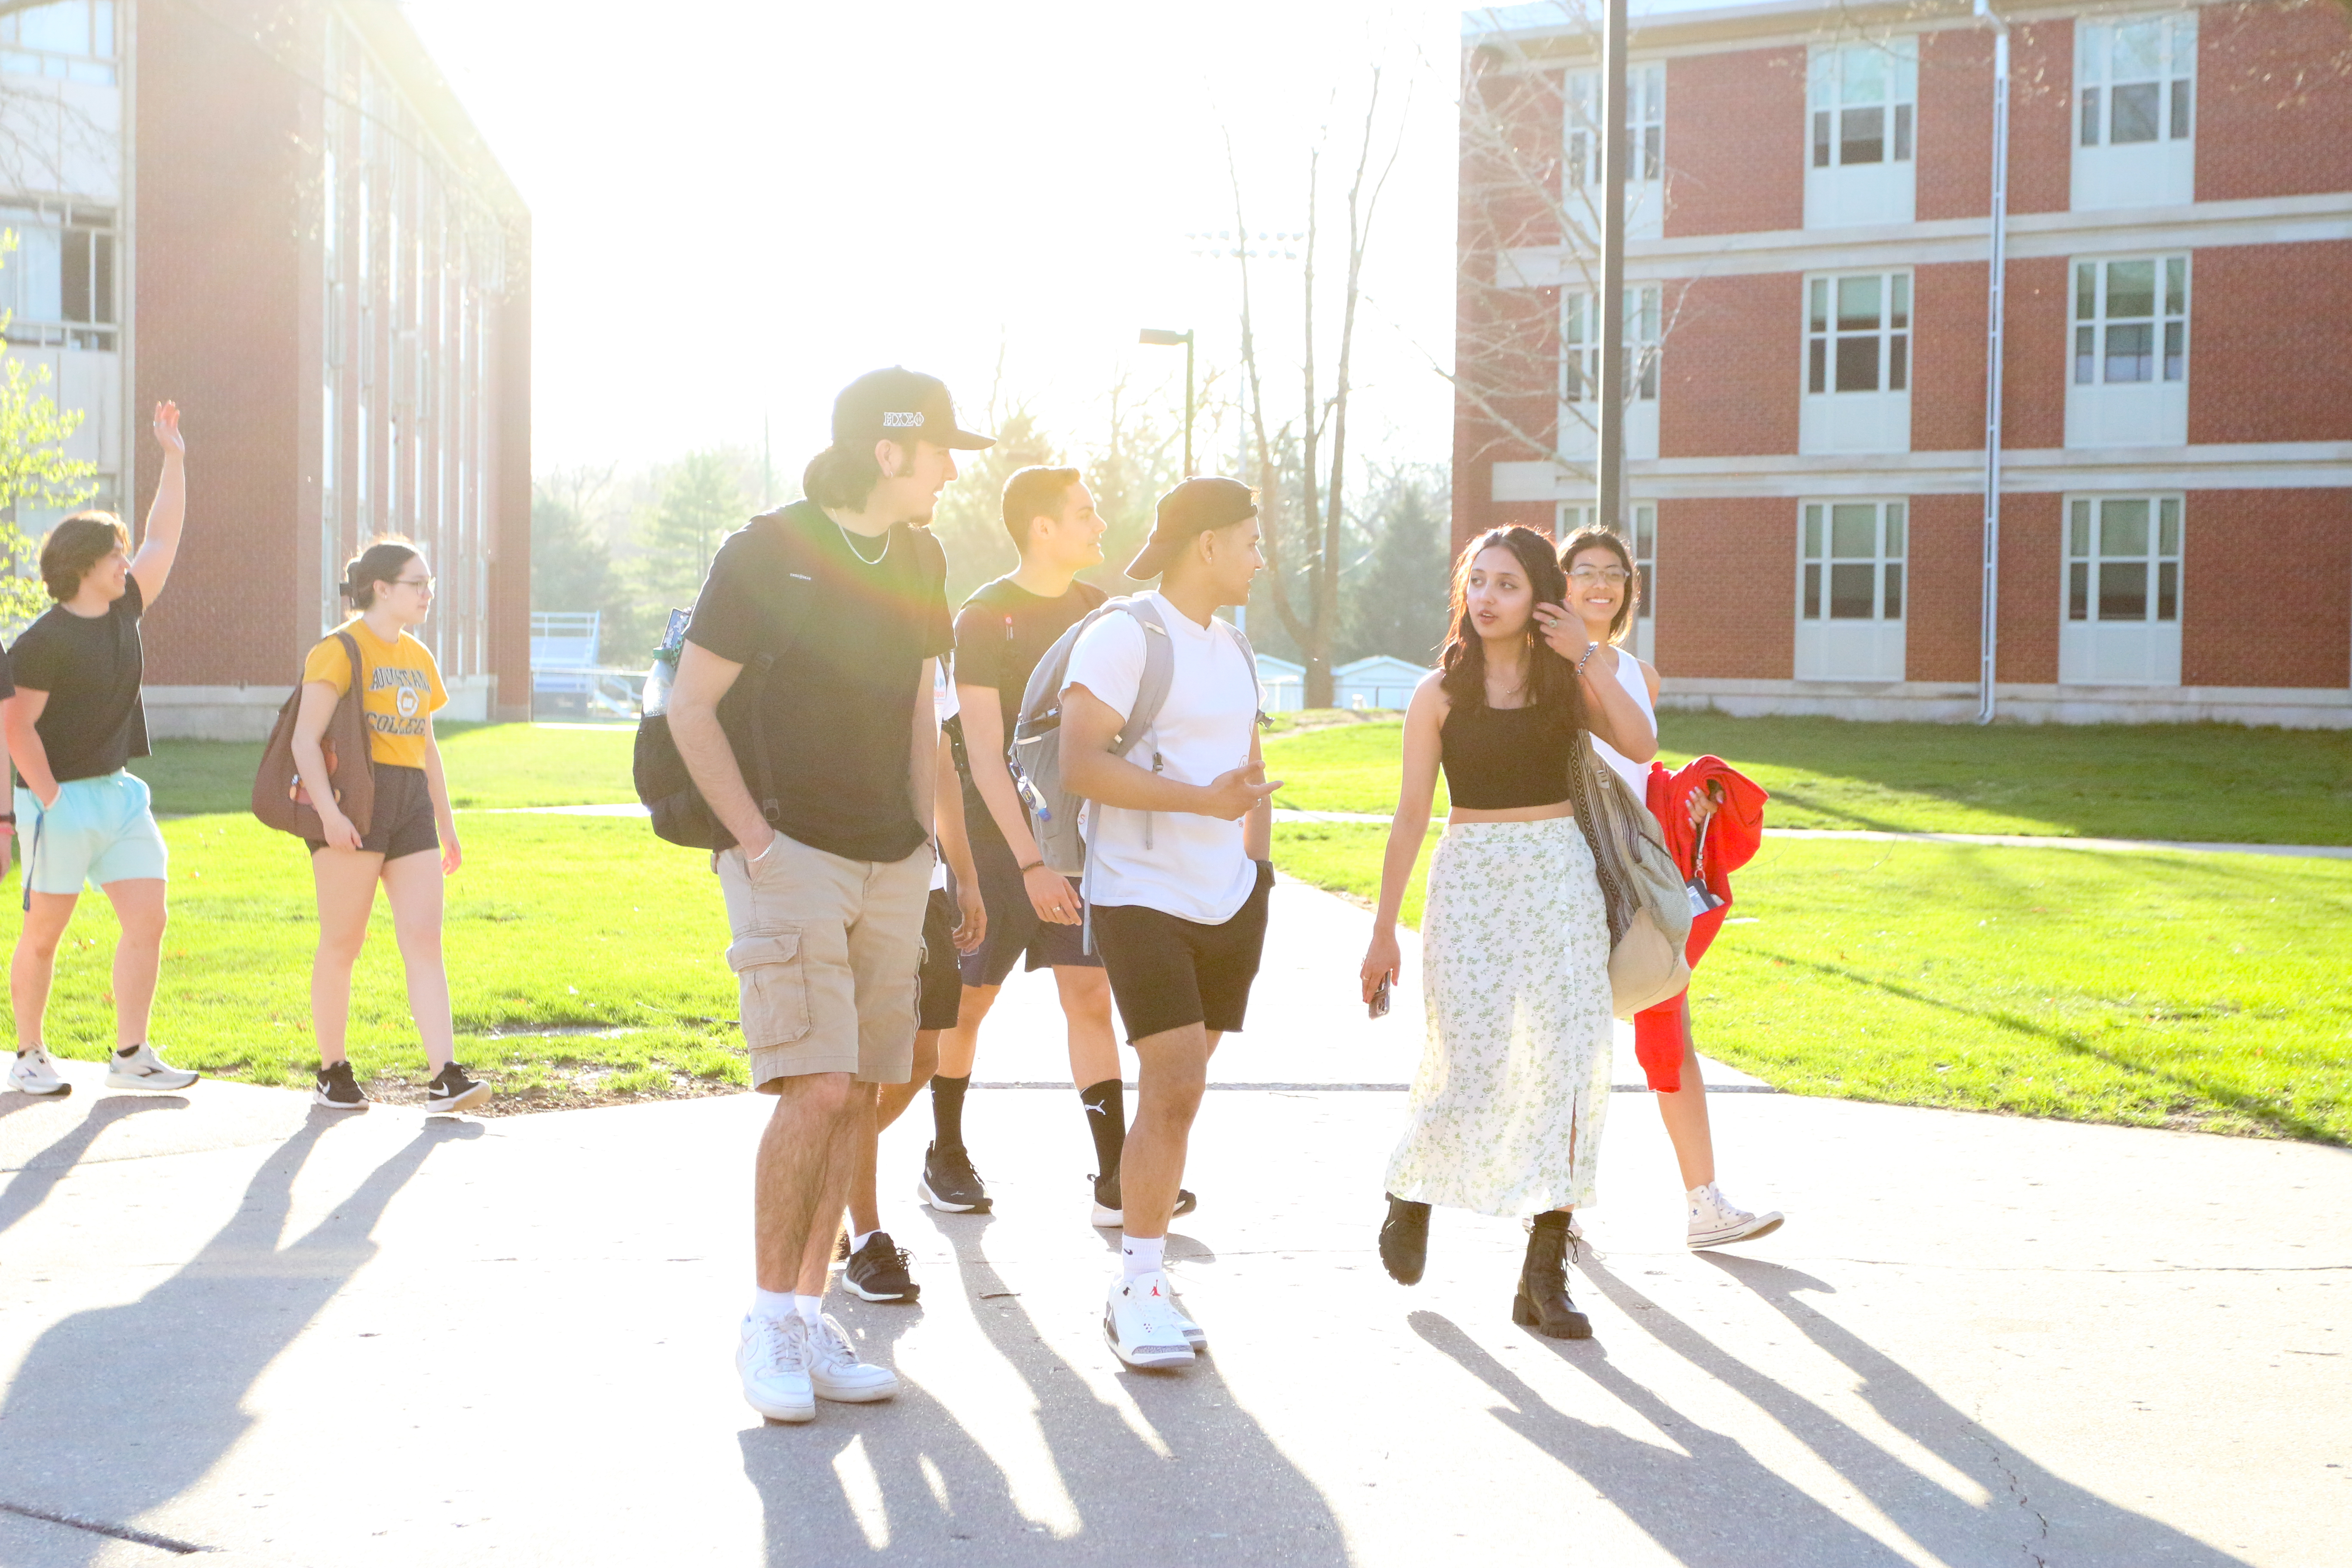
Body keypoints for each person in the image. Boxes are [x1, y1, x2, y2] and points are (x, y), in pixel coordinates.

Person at [670, 366, 987, 1424]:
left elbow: (918, 712)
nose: (951, 469)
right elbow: (691, 704)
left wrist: (939, 855)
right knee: (811, 1087)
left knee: (859, 1094)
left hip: (892, 857)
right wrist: (756, 842)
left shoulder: (922, 555)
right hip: (789, 852)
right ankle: (765, 1321)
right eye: (940, 449)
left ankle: (808, 1319)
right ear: (889, 452)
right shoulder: (766, 553)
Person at [1357, 525, 1656, 1340]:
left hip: (1558, 876)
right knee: (1473, 1062)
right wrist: (1383, 931)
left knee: (1570, 1066)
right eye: (1476, 582)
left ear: (1537, 600)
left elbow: (1642, 744)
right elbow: (1412, 813)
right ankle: (1411, 1186)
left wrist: (1587, 654)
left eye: (1506, 585)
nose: (1486, 598)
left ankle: (1543, 1275)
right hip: (1471, 879)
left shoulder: (1568, 680)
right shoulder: (1439, 692)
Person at [1060, 476, 1280, 1370]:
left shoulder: (1234, 646)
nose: (1261, 559)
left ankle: (1144, 1271)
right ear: (1209, 547)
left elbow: (1251, 764)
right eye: (1252, 542)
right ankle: (1137, 1285)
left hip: (1228, 894)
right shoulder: (1123, 636)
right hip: (1139, 886)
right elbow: (1079, 763)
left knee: (1178, 1093)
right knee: (1177, 1075)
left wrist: (1259, 873)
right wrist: (1199, 803)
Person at [1539, 525, 1782, 1248]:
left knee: (1669, 1028)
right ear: (1562, 583)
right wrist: (1579, 654)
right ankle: (1556, 1211)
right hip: (1576, 869)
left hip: (1644, 876)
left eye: (1614, 573)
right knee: (1573, 1040)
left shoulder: (1639, 674)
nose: (1601, 584)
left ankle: (1705, 1205)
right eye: (1585, 571)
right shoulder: (1549, 667)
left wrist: (1690, 799)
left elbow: (1642, 770)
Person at [935, 465, 1146, 1224]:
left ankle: (1115, 1176)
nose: (1099, 525)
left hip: (1079, 835)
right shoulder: (984, 618)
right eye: (1085, 514)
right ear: (1042, 528)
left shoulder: (1101, 610)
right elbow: (986, 754)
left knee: (1088, 995)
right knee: (969, 1002)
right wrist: (1030, 863)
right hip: (998, 839)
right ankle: (944, 1152)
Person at [5, 403, 196, 1099]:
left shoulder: (125, 608)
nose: (127, 560)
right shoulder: (41, 642)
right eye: (115, 554)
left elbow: (163, 537)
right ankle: (30, 1054)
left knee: (149, 918)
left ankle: (131, 1053)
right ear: (85, 566)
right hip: (58, 800)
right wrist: (51, 799)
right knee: (46, 933)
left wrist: (173, 457)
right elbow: (17, 728)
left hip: (120, 796)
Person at [294, 537, 487, 1115]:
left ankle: (444, 1076)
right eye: (418, 584)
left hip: (409, 807)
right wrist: (329, 815)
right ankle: (332, 1071)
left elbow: (426, 747)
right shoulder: (339, 650)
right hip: (355, 800)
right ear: (382, 588)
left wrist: (446, 824)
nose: (429, 594)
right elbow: (305, 740)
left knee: (425, 939)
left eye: (430, 585)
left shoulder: (419, 658)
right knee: (343, 942)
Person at [838, 664, 988, 1302]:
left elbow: (942, 765)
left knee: (924, 1056)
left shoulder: (931, 647)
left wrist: (966, 875)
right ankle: (863, 1234)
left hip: (919, 883)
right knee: (860, 1070)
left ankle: (826, 1176)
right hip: (846, 873)